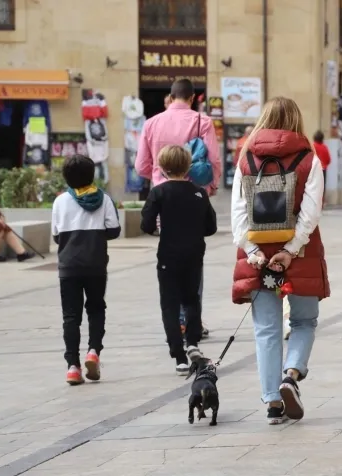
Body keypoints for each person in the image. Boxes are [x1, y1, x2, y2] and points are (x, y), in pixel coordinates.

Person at [231, 96, 329, 425]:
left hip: (258, 255)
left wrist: (253, 251)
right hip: (299, 254)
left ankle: (273, 401)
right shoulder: (308, 158)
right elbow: (311, 212)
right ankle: (291, 374)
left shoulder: (246, 157)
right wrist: (291, 248)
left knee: (266, 329)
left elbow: (238, 213)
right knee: (303, 321)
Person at [136, 79, 220, 338]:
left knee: (170, 256)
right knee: (194, 260)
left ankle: (178, 319)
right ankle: (191, 319)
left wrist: (158, 175)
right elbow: (214, 159)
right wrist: (211, 185)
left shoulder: (151, 123)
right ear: (192, 98)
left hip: (164, 199)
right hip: (194, 196)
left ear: (171, 97)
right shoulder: (202, 122)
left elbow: (141, 165)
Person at [141, 145, 217, 376]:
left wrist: (160, 230)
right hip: (194, 254)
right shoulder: (199, 193)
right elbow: (211, 227)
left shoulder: (159, 192)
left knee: (170, 304)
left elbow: (146, 224)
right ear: (188, 167)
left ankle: (179, 356)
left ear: (162, 167)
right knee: (192, 299)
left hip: (168, 255)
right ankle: (192, 342)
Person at [51, 155, 121, 385]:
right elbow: (114, 230)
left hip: (69, 266)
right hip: (96, 265)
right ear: (92, 175)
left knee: (71, 316)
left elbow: (56, 235)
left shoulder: (60, 201)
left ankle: (73, 367)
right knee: (96, 308)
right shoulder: (104, 199)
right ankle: (93, 352)